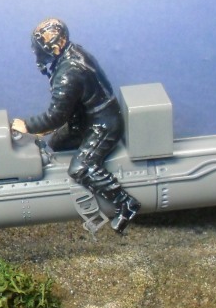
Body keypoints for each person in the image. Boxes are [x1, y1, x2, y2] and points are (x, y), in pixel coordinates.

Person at [11, 18, 141, 233]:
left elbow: (55, 117)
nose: (37, 55)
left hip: (103, 124)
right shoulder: (72, 53)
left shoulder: (68, 73)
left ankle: (126, 203)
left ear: (52, 48)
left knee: (81, 168)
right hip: (86, 118)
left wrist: (27, 125)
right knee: (58, 143)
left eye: (39, 50)